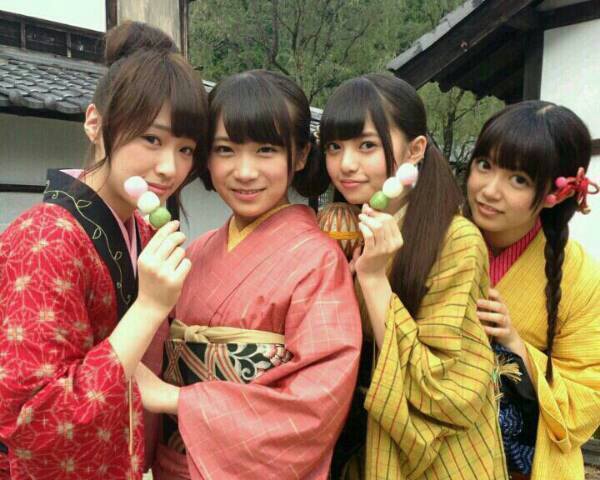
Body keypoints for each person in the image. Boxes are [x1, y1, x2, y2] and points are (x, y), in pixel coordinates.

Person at [0, 21, 208, 479]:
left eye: (186, 149)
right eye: (152, 139)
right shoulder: (44, 239)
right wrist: (148, 307)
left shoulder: (143, 229)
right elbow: (35, 424)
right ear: (95, 123)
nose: (170, 167)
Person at [139, 70, 362, 479]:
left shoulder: (319, 260)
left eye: (265, 150)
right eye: (225, 150)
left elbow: (316, 405)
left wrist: (177, 400)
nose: (244, 171)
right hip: (173, 463)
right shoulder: (196, 251)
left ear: (300, 155)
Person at [321, 73, 507, 479]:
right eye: (334, 147)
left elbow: (442, 385)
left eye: (366, 145)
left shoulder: (457, 240)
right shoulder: (341, 227)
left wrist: (373, 278)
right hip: (353, 443)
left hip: (434, 457)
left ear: (416, 148)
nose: (345, 164)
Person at [466, 100, 600, 480]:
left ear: (557, 193)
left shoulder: (582, 277)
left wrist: (515, 345)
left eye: (519, 179)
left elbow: (588, 396)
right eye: (484, 165)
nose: (489, 190)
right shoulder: (435, 240)